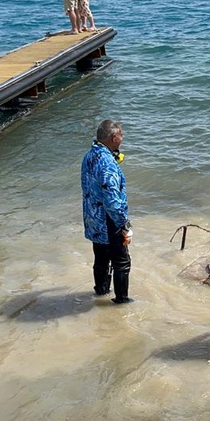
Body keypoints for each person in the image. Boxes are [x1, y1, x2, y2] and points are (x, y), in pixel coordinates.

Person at [81, 120, 133, 305]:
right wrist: (123, 223)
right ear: (113, 137)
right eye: (121, 134)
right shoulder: (107, 163)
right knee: (122, 262)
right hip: (108, 219)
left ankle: (101, 291)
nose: (123, 137)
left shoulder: (90, 155)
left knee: (101, 257)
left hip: (93, 217)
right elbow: (111, 199)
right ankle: (121, 301)